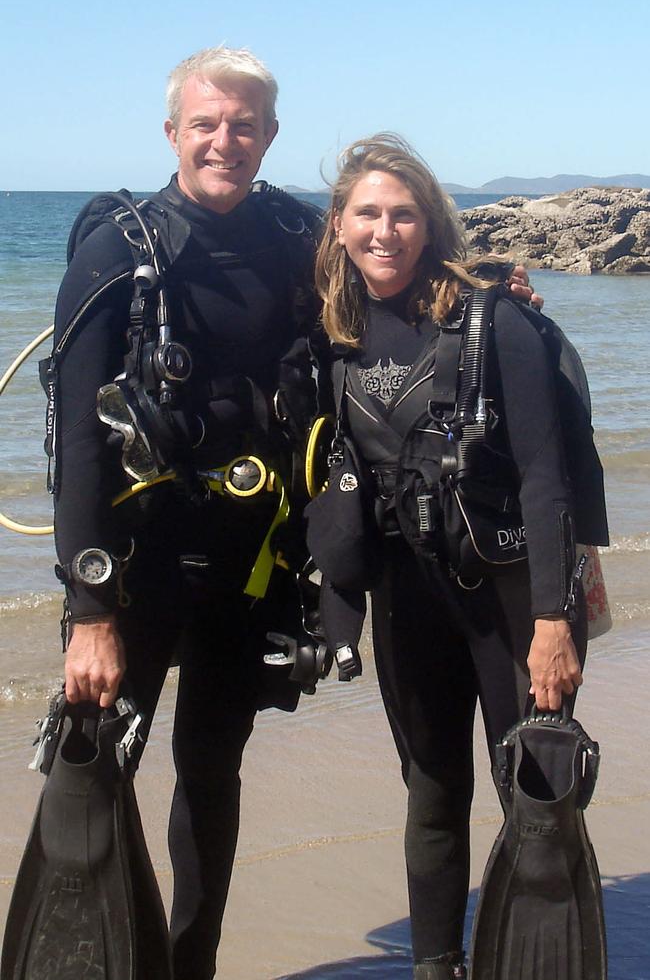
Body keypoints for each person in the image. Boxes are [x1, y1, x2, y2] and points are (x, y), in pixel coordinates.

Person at [50, 50, 540, 979]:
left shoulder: (291, 235)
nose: (223, 141)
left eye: (244, 125)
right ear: (172, 133)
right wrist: (87, 612)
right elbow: (78, 439)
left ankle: (189, 961)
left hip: (251, 570)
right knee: (94, 774)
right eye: (205, 124)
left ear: (269, 134)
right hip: (141, 566)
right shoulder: (120, 254)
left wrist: (492, 286)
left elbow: (391, 259)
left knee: (210, 773)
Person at [311, 134, 608, 979]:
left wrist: (556, 620)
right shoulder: (333, 327)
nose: (385, 231)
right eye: (367, 214)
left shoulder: (494, 316)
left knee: (534, 795)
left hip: (512, 596)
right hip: (409, 597)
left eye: (404, 215)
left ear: (431, 224)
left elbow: (548, 478)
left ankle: (534, 957)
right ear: (337, 226)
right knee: (433, 795)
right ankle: (435, 966)